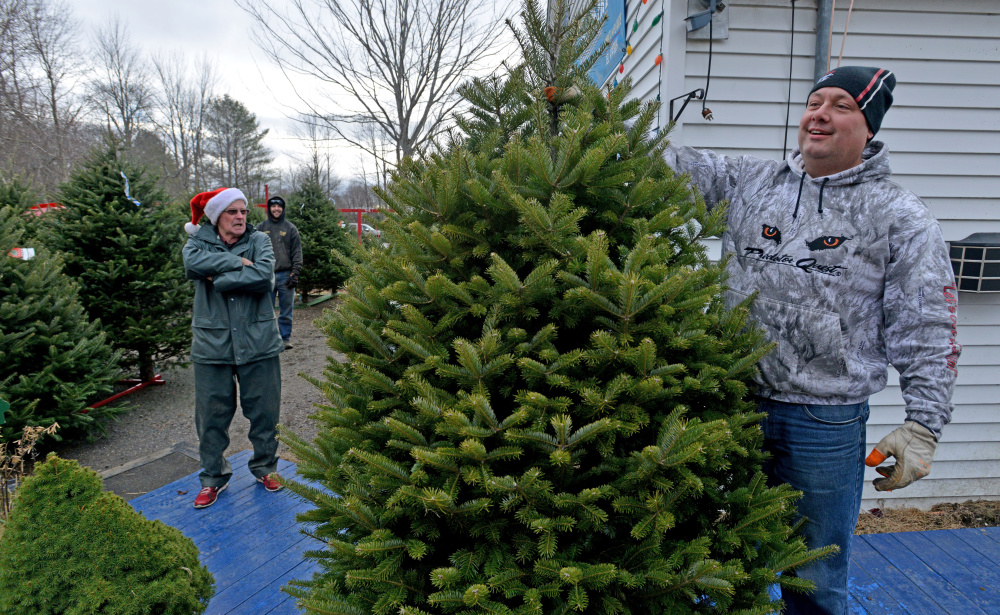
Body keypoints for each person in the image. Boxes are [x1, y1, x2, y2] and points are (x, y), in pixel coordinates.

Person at [663, 66, 959, 614]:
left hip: (825, 420)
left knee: (816, 575)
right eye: (814, 102)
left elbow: (927, 324)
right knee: (729, 561)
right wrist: (591, 120)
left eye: (841, 105)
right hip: (732, 401)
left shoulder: (901, 217)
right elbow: (667, 165)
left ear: (868, 126)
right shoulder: (752, 183)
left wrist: (924, 424)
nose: (819, 114)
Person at [182, 187, 285, 509]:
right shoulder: (197, 242)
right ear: (217, 216)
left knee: (265, 412)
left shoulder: (260, 240)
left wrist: (219, 276)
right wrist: (236, 262)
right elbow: (192, 264)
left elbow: (264, 276)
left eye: (243, 211)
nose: (241, 217)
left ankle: (265, 468)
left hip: (259, 342)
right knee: (211, 417)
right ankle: (213, 478)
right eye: (233, 212)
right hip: (213, 345)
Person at [258, 195, 302, 350]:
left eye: (279, 206)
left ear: (283, 208)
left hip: (285, 275)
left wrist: (295, 272)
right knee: (265, 310)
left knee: (286, 309)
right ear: (269, 208)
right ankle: (268, 339)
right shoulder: (261, 228)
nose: (276, 209)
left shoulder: (290, 228)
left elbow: (297, 252)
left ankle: (285, 338)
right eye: (273, 206)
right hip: (266, 274)